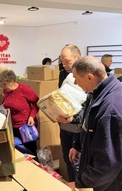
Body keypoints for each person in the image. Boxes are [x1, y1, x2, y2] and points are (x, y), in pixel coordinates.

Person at [69, 56, 122, 191]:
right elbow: (88, 123)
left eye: (76, 78)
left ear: (89, 77)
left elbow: (108, 163)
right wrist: (78, 145)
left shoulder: (110, 108)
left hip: (110, 184)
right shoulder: (97, 93)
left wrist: (81, 183)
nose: (75, 82)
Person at [56, 44, 86, 182]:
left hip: (78, 128)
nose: (64, 65)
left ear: (78, 57)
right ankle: (72, 184)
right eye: (62, 62)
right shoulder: (64, 73)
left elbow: (87, 105)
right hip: (65, 126)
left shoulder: (87, 76)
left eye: (67, 61)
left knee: (78, 163)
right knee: (67, 160)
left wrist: (74, 118)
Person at [0, 69, 39, 157]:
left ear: (12, 81)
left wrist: (32, 116)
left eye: (5, 84)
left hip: (26, 128)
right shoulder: (6, 91)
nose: (3, 87)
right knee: (18, 153)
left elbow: (37, 103)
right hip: (13, 127)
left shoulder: (24, 89)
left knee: (30, 154)